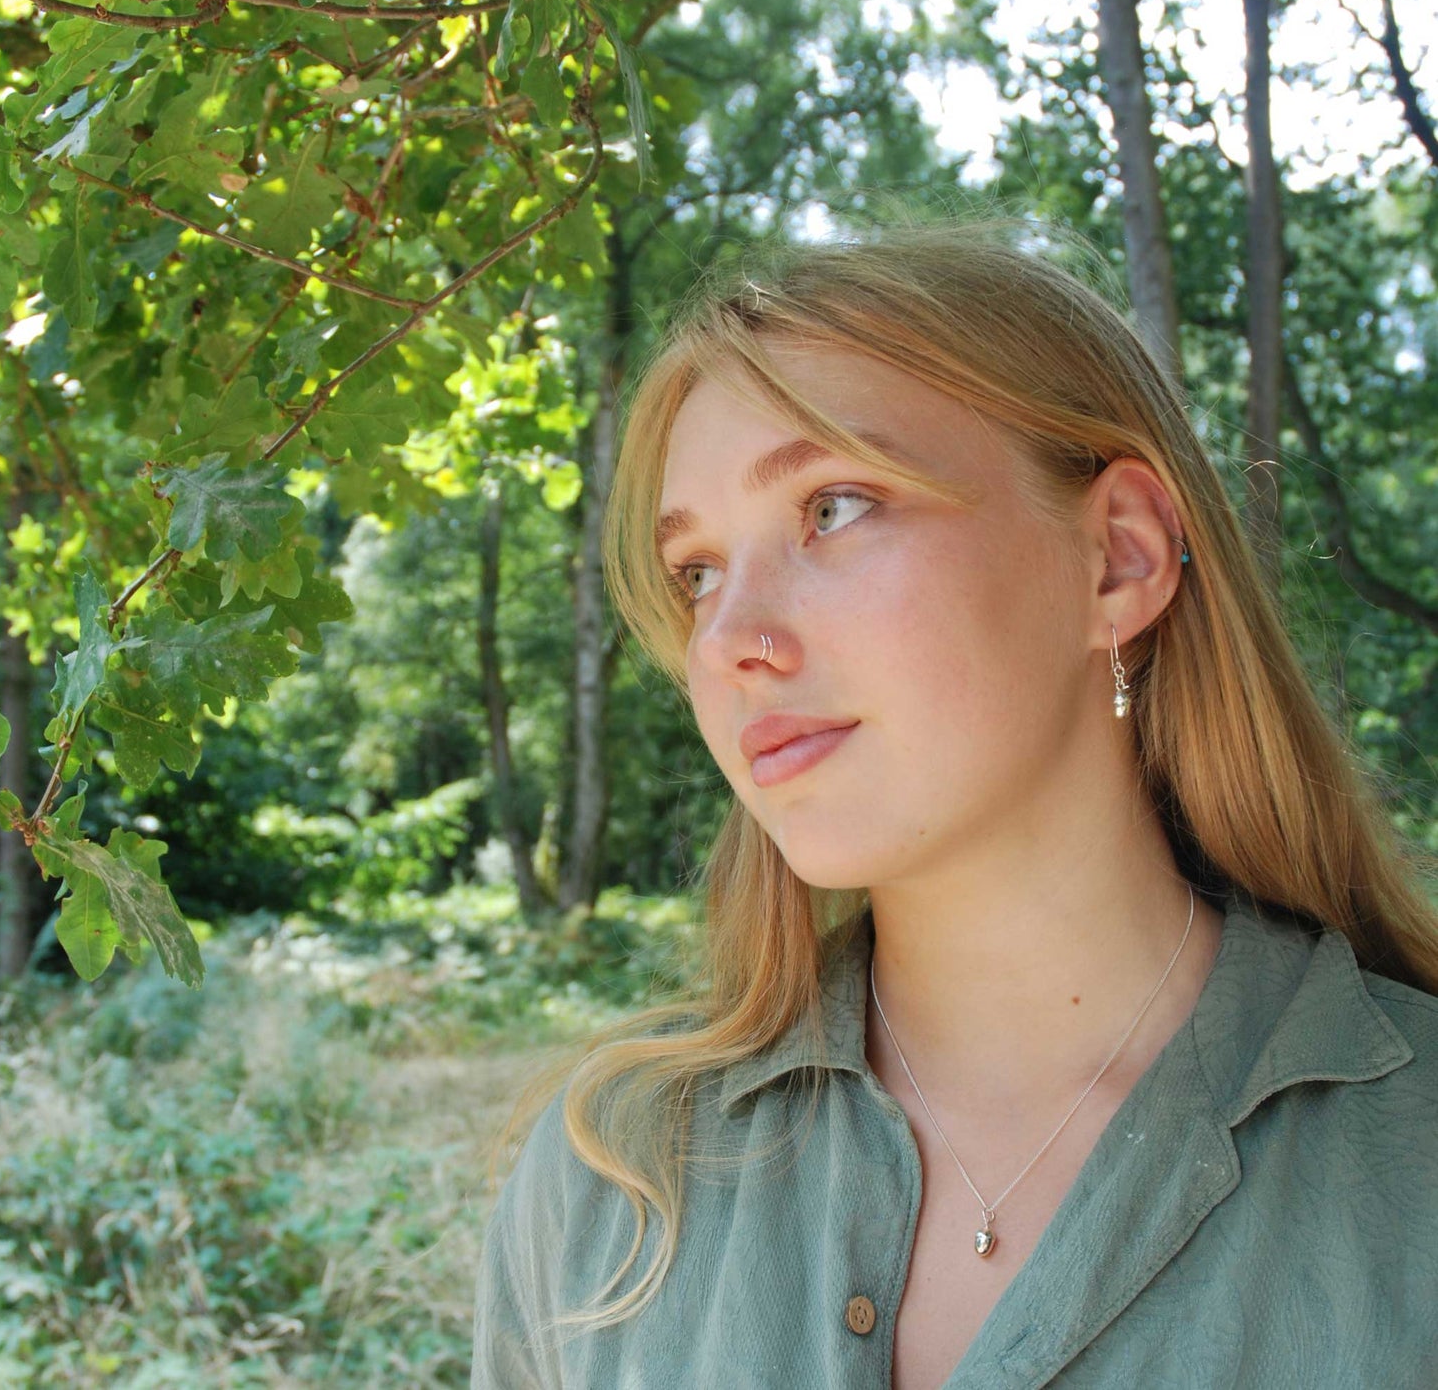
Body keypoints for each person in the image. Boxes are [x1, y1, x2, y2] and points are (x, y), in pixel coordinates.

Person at [470, 217, 1438, 1390]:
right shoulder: (612, 1184)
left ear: (1117, 560)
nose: (726, 643)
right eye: (697, 573)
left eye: (830, 508)